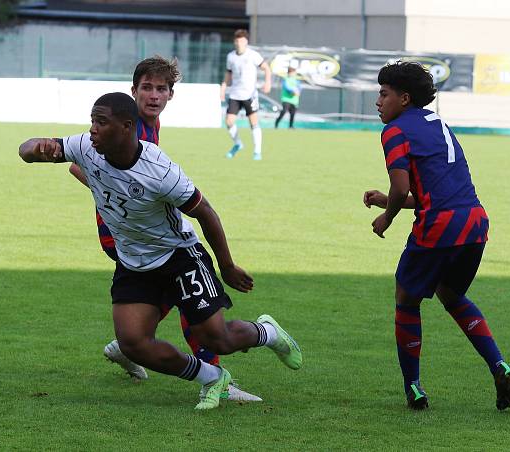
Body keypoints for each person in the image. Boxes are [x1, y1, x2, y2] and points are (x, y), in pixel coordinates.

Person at [19, 92, 303, 409]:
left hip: (178, 257)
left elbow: (205, 212)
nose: (93, 129)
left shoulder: (160, 171)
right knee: (133, 343)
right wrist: (33, 149)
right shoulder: (87, 146)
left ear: (126, 127)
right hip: (134, 262)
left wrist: (227, 266)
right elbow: (32, 149)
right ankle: (212, 377)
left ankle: (266, 332)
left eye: (101, 122)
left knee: (216, 338)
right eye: (92, 121)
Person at [69, 57, 262, 402]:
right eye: (147, 88)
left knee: (165, 295)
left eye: (161, 89)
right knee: (187, 300)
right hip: (125, 234)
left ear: (172, 94)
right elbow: (77, 166)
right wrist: (120, 195)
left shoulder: (145, 127)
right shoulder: (128, 128)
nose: (153, 96)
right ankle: (213, 377)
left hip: (140, 233)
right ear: (134, 91)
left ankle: (129, 347)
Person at [363, 61, 510, 411]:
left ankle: (413, 387)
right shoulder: (439, 125)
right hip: (475, 221)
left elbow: (402, 184)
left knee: (406, 296)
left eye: (383, 94)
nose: (378, 101)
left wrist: (387, 217)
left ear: (404, 99)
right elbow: (436, 189)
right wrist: (391, 202)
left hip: (439, 225)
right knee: (451, 293)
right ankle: (499, 365)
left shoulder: (394, 131)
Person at [221, 29, 271, 161]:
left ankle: (257, 152)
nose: (239, 43)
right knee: (229, 121)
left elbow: (266, 68)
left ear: (246, 42)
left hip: (250, 95)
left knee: (253, 122)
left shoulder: (253, 55)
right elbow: (228, 74)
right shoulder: (231, 56)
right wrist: (223, 88)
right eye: (237, 41)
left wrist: (267, 82)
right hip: (235, 94)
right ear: (234, 42)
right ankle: (238, 144)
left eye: (242, 41)